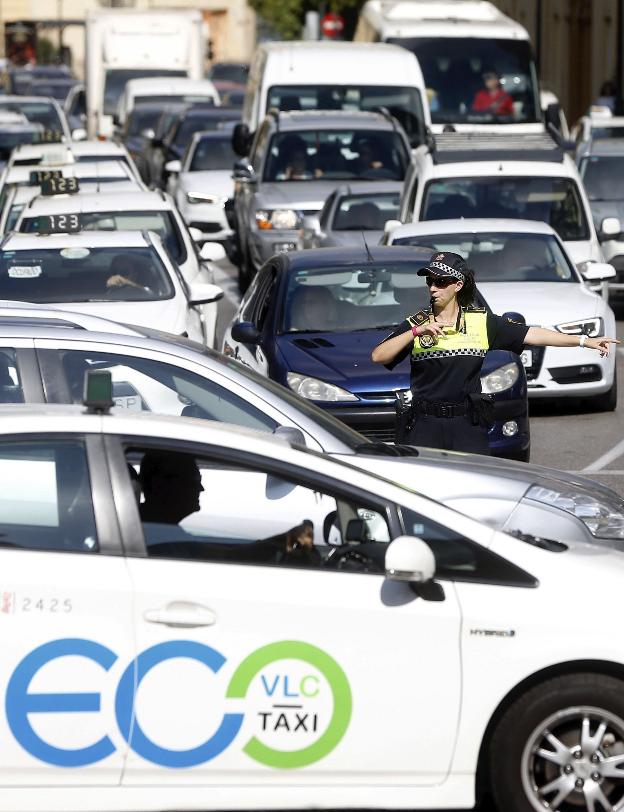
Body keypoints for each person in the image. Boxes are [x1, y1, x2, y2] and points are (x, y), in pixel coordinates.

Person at [371, 251, 619, 454]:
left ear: (458, 285)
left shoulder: (482, 322)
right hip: (424, 425)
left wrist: (585, 341)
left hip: (467, 424)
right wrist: (416, 332)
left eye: (440, 282)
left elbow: (532, 334)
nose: (433, 288)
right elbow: (379, 356)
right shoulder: (417, 322)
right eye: (429, 281)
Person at [137, 450, 319, 564]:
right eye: (193, 481)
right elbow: (228, 557)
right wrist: (285, 540)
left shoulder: (162, 528)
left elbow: (226, 555)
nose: (201, 488)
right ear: (161, 485)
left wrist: (283, 540)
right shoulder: (152, 532)